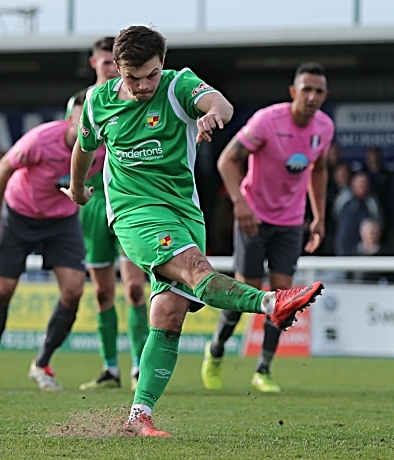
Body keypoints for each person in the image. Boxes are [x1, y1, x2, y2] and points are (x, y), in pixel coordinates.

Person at [62, 25, 324, 437]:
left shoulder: (177, 84)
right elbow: (84, 146)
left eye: (151, 73)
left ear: (161, 64)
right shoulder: (98, 101)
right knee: (195, 270)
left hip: (185, 213)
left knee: (168, 316)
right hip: (133, 212)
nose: (144, 84)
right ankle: (273, 302)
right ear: (116, 69)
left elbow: (219, 102)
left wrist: (213, 114)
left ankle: (138, 417)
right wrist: (77, 189)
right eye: (133, 77)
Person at [201, 62, 333, 393]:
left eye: (319, 91)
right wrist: (240, 204)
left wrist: (319, 216)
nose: (312, 97)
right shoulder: (267, 120)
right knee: (246, 290)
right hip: (254, 218)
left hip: (289, 223)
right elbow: (226, 160)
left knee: (283, 294)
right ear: (293, 92)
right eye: (307, 90)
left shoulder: (325, 128)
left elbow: (318, 170)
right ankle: (216, 349)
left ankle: (263, 368)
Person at [0, 90, 105, 391]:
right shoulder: (41, 140)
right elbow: (4, 169)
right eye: (82, 118)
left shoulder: (104, 147)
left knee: (73, 291)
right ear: (70, 118)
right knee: (3, 291)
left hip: (62, 221)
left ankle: (42, 364)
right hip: (19, 215)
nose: (88, 126)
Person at [71, 36, 150, 392]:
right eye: (102, 62)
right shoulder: (84, 103)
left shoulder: (141, 97)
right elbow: (73, 146)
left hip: (127, 199)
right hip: (91, 202)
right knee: (103, 292)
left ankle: (138, 367)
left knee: (134, 288)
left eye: (111, 63)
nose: (107, 68)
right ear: (96, 64)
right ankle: (109, 368)